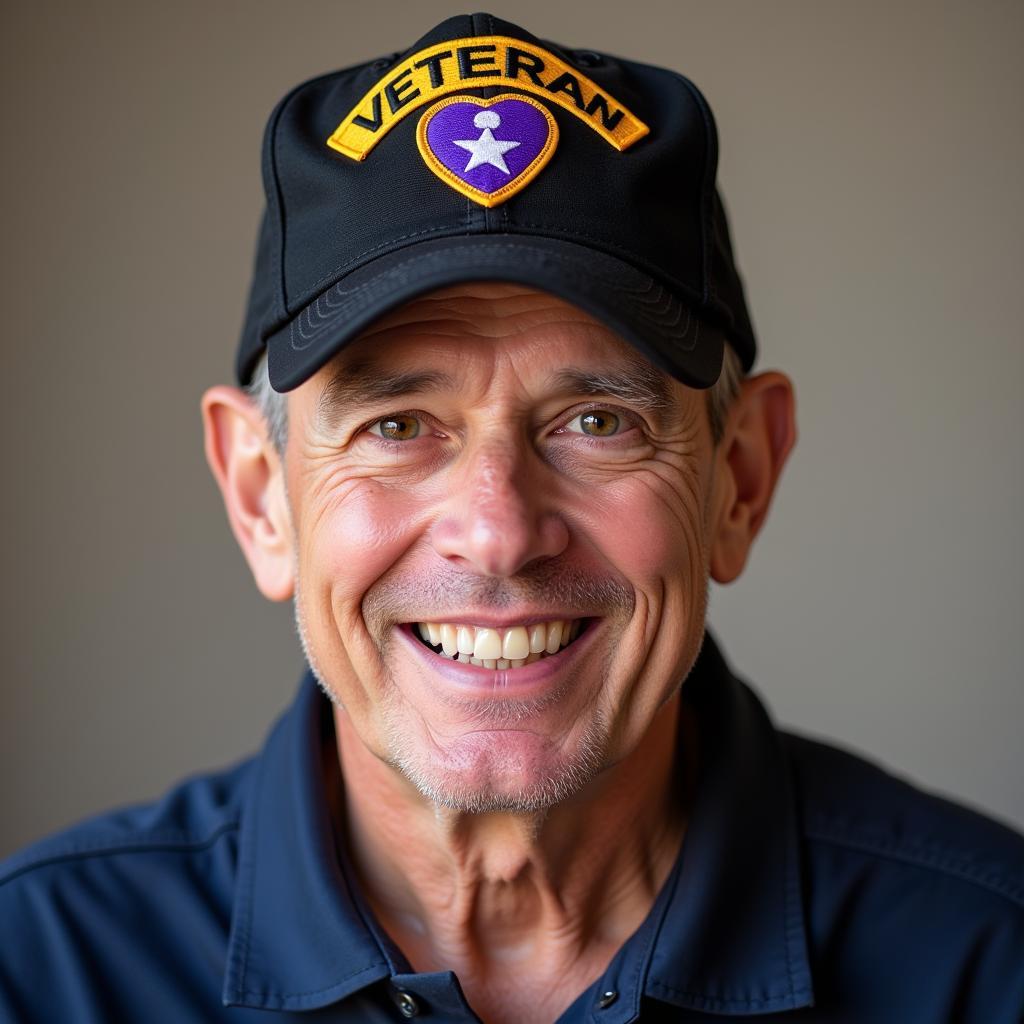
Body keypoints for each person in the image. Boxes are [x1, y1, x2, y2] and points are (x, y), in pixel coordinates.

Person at [1, 12, 1021, 1023]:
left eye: (596, 420)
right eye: (397, 423)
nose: (497, 531)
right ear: (261, 494)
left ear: (738, 479)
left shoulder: (986, 962)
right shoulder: (41, 973)